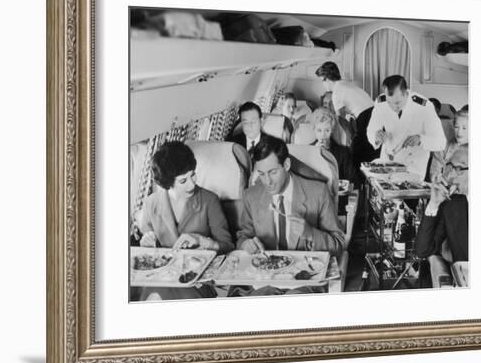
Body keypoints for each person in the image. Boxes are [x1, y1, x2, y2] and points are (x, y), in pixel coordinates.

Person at [232, 136, 344, 296]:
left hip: (304, 281)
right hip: (263, 280)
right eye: (261, 174)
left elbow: (338, 244)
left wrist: (310, 233)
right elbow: (243, 236)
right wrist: (246, 244)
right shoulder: (252, 196)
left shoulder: (318, 192)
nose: (267, 181)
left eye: (272, 172)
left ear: (286, 165)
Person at [136, 141, 234, 300]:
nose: (192, 183)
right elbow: (148, 248)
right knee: (154, 296)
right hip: (162, 278)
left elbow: (228, 246)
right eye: (183, 181)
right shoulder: (150, 204)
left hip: (196, 279)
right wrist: (147, 244)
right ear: (168, 183)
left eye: (193, 174)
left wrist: (202, 241)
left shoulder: (209, 201)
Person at [366, 75, 446, 179]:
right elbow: (371, 130)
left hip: (412, 167)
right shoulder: (381, 102)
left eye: (397, 103)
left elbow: (440, 142)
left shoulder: (424, 107)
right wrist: (376, 136)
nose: (393, 107)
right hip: (387, 164)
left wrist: (421, 139)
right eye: (389, 102)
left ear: (406, 94)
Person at [415, 144, 468, 263]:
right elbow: (423, 251)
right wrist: (434, 204)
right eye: (450, 167)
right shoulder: (451, 205)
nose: (451, 175)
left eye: (459, 169)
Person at [310, 107, 354, 183]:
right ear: (314, 130)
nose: (323, 135)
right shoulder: (307, 151)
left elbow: (353, 180)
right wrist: (315, 154)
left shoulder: (343, 152)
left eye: (327, 130)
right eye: (319, 130)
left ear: (332, 130)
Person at [429, 109, 468, 182]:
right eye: (456, 127)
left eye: (464, 128)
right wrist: (436, 177)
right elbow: (434, 171)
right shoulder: (442, 146)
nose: (459, 132)